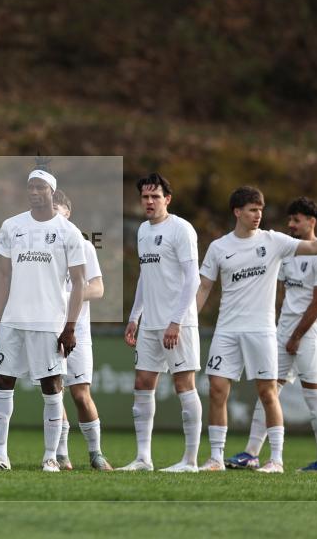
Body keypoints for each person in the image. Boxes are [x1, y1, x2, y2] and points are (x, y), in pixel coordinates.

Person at [196, 186, 317, 473]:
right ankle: (226, 457)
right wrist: (186, 320)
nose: (259, 215)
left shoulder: (275, 242)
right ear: (237, 212)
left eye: (261, 209)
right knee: (220, 389)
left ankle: (303, 460)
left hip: (291, 334)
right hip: (246, 330)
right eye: (253, 210)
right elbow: (205, 287)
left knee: (284, 394)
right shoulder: (221, 247)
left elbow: (315, 261)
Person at [0, 161, 86, 472]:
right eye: (31, 187)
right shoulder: (12, 226)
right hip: (13, 320)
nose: (35, 192)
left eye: (41, 187)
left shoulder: (68, 232)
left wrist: (70, 327)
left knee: (52, 386)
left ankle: (50, 457)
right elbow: (2, 276)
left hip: (48, 323)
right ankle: (0, 456)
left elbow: (79, 282)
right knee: (2, 382)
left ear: (53, 192)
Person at [226, 197, 317, 472]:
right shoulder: (289, 252)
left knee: (313, 398)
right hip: (282, 334)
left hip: (308, 336)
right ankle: (251, 454)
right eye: (290, 220)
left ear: (311, 221)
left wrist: (296, 336)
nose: (290, 225)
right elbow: (278, 290)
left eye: (296, 220)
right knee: (268, 392)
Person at [120, 173, 202, 473]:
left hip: (176, 323)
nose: (150, 202)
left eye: (155, 196)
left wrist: (176, 321)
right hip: (150, 323)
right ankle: (143, 458)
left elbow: (193, 278)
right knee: (142, 383)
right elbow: (145, 276)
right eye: (145, 197)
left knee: (184, 384)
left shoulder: (181, 229)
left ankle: (190, 461)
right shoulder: (142, 230)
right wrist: (134, 316)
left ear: (168, 198)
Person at [50, 190, 111, 471]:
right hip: (47, 329)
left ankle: (96, 453)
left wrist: (66, 298)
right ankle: (61, 454)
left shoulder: (83, 246)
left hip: (78, 331)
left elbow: (97, 288)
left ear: (68, 213)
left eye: (58, 210)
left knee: (80, 393)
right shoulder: (39, 246)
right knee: (54, 392)